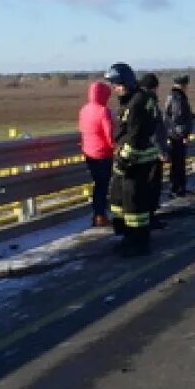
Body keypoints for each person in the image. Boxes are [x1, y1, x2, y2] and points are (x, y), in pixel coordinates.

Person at [104, 62, 160, 256]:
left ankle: (139, 242)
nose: (115, 88)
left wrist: (123, 161)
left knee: (134, 203)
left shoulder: (136, 102)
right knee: (124, 200)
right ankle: (129, 236)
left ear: (126, 81)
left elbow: (135, 136)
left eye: (117, 84)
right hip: (138, 159)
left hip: (136, 161)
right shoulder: (138, 97)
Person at [78, 80, 115, 227]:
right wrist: (115, 147)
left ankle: (97, 214)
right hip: (103, 153)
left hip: (89, 152)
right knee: (103, 185)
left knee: (98, 184)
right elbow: (109, 134)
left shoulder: (84, 110)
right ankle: (100, 215)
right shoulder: (103, 111)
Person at [140, 73, 169, 229]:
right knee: (152, 185)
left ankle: (148, 216)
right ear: (154, 87)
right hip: (152, 152)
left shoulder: (138, 101)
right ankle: (150, 216)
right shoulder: (150, 103)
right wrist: (161, 151)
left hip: (144, 152)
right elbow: (155, 131)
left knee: (147, 185)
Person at [164, 74, 195, 196]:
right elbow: (178, 117)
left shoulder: (173, 96)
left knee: (177, 163)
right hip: (177, 135)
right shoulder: (178, 97)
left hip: (173, 134)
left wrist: (193, 116)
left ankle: (177, 188)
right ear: (184, 85)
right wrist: (184, 135)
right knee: (179, 163)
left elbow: (179, 115)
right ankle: (178, 189)